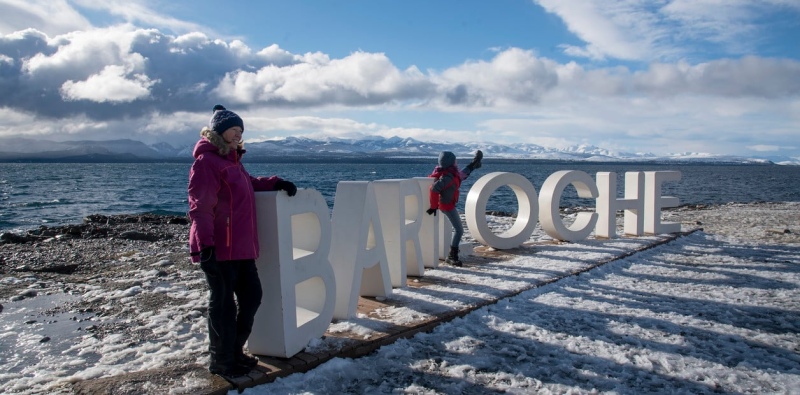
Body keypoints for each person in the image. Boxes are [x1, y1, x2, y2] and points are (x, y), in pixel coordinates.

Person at [188, 104, 298, 377]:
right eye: (233, 130)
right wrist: (206, 246)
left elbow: (249, 183)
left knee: (251, 298)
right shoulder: (207, 163)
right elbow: (200, 206)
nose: (238, 135)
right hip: (218, 249)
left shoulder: (233, 162)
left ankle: (235, 352)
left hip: (242, 248)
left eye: (240, 130)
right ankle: (222, 361)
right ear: (219, 132)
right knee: (223, 306)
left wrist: (275, 182)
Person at [426, 150, 483, 266]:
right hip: (447, 206)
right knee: (459, 230)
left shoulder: (450, 173)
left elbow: (461, 176)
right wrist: (433, 207)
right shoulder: (447, 177)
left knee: (458, 230)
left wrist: (472, 165)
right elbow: (434, 189)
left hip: (448, 204)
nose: (456, 162)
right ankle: (452, 256)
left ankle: (452, 255)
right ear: (451, 162)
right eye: (455, 160)